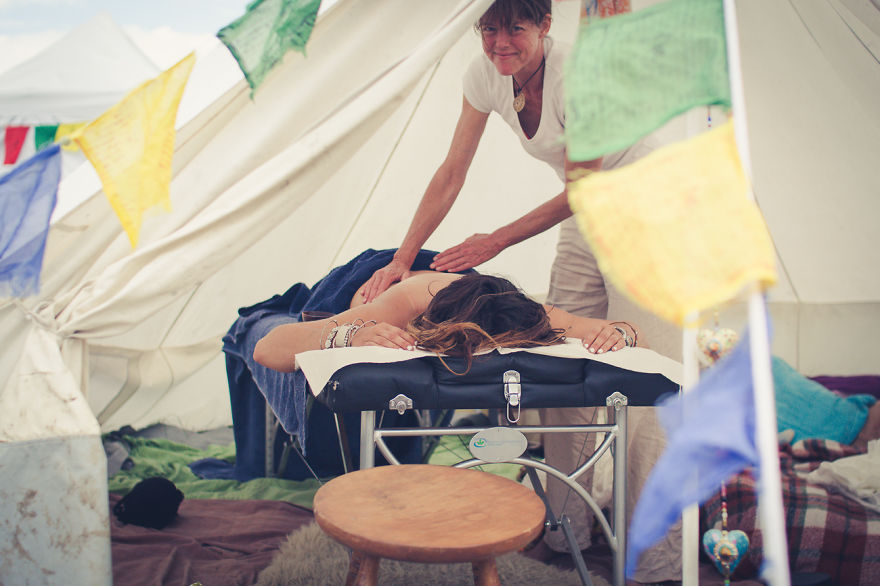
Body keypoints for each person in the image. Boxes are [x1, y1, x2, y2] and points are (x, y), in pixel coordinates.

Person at [348, 0, 676, 581]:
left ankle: (655, 562)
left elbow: (580, 185)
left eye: (516, 27)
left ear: (545, 25)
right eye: (489, 27)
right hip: (589, 215)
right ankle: (564, 527)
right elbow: (452, 172)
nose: (500, 41)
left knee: (643, 374)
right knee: (560, 361)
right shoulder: (483, 75)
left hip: (652, 209)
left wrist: (494, 241)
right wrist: (401, 259)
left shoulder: (579, 77)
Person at [254, 269, 680, 584]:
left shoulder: (525, 312)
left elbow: (629, 333)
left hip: (467, 285)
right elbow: (268, 348)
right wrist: (347, 334)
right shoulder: (402, 304)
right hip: (383, 276)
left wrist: (620, 334)